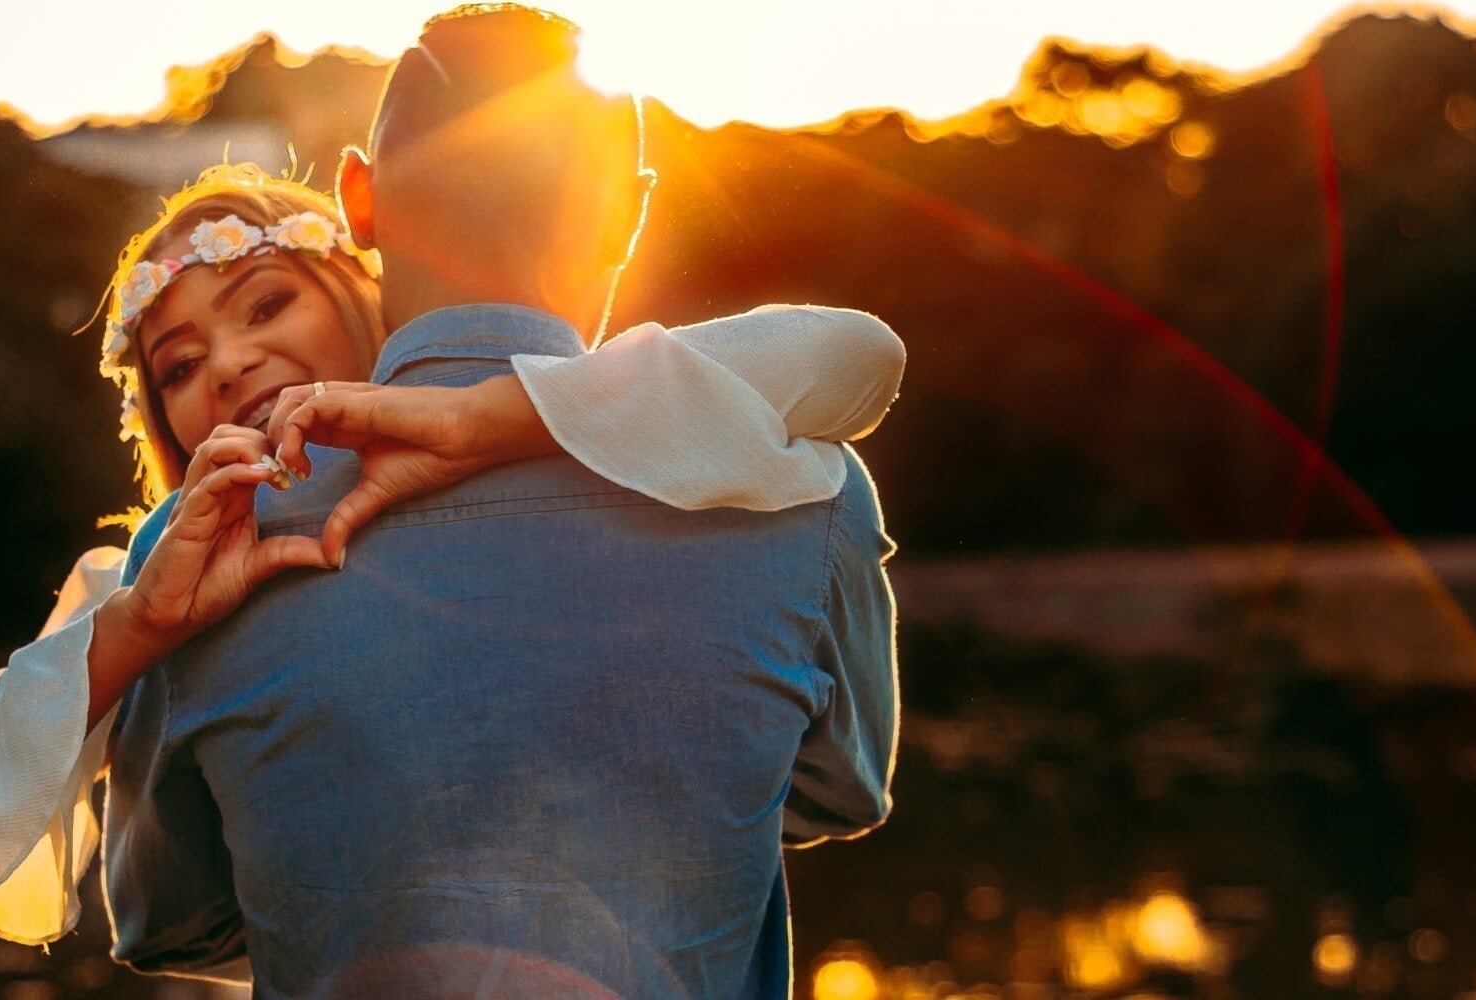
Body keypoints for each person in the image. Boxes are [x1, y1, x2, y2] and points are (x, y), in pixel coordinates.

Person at [81, 5, 900, 995]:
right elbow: (835, 789)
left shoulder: (204, 543)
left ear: (357, 200)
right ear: (627, 210)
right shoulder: (796, 482)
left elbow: (167, 918)